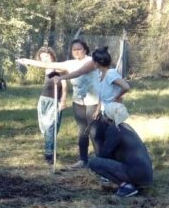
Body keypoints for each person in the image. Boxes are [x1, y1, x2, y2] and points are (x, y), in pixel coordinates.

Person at [16, 39, 100, 169]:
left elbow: (79, 72)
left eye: (79, 49)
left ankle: (101, 161)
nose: (76, 52)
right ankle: (83, 160)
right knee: (82, 131)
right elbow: (48, 64)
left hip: (93, 101)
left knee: (94, 132)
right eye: (74, 49)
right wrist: (27, 61)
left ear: (85, 50)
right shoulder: (69, 63)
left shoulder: (91, 61)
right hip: (78, 102)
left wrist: (61, 77)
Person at [88, 102, 152, 197]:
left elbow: (104, 155)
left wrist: (98, 137)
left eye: (104, 114)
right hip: (146, 174)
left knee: (94, 162)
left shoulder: (114, 129)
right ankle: (133, 184)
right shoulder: (126, 126)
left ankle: (127, 186)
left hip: (136, 174)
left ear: (107, 117)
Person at [54, 46, 130, 117]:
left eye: (93, 60)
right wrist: (97, 110)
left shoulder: (110, 74)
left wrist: (117, 97)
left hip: (113, 112)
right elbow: (101, 95)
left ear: (96, 63)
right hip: (105, 111)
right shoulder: (101, 74)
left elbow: (126, 87)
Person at [30, 47, 68, 165]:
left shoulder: (59, 68)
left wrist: (63, 100)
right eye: (42, 57)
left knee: (51, 127)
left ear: (52, 55)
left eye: (46, 56)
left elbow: (64, 85)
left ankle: (49, 154)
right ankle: (51, 150)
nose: (45, 59)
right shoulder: (46, 69)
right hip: (43, 100)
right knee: (45, 128)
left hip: (55, 101)